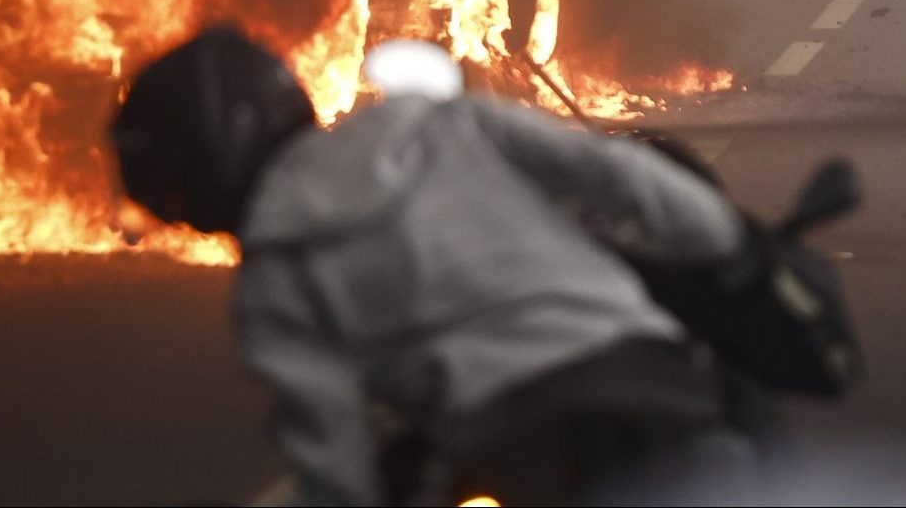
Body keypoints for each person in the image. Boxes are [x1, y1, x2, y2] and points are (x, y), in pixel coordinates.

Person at [110, 26, 753, 507]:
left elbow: (338, 472)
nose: (182, 215)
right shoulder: (439, 124)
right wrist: (736, 246)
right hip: (668, 392)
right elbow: (619, 173)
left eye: (173, 196)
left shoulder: (274, 282)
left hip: (519, 452)